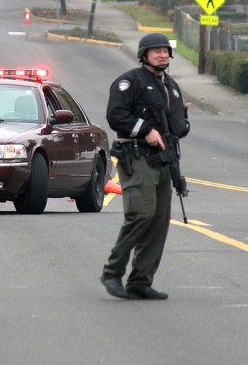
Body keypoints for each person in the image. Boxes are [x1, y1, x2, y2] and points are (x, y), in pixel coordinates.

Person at [100, 32, 190, 300]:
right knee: (141, 214)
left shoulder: (171, 85)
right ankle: (112, 272)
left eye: (165, 50)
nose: (162, 54)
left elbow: (177, 126)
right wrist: (145, 130)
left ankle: (140, 280)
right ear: (144, 55)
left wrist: (182, 122)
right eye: (156, 51)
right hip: (137, 155)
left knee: (159, 220)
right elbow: (116, 115)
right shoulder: (131, 81)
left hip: (164, 162)